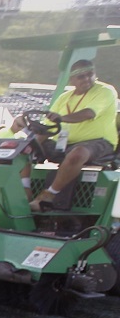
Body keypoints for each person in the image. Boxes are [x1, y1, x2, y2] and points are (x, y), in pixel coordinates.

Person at [30, 59, 118, 212]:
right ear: (72, 79)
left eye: (90, 74)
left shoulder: (105, 91)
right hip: (64, 144)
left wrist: (61, 118)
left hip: (99, 143)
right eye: (81, 76)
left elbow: (89, 113)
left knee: (78, 152)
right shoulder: (64, 98)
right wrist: (32, 143)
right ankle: (25, 191)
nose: (86, 79)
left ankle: (49, 195)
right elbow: (49, 126)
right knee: (23, 149)